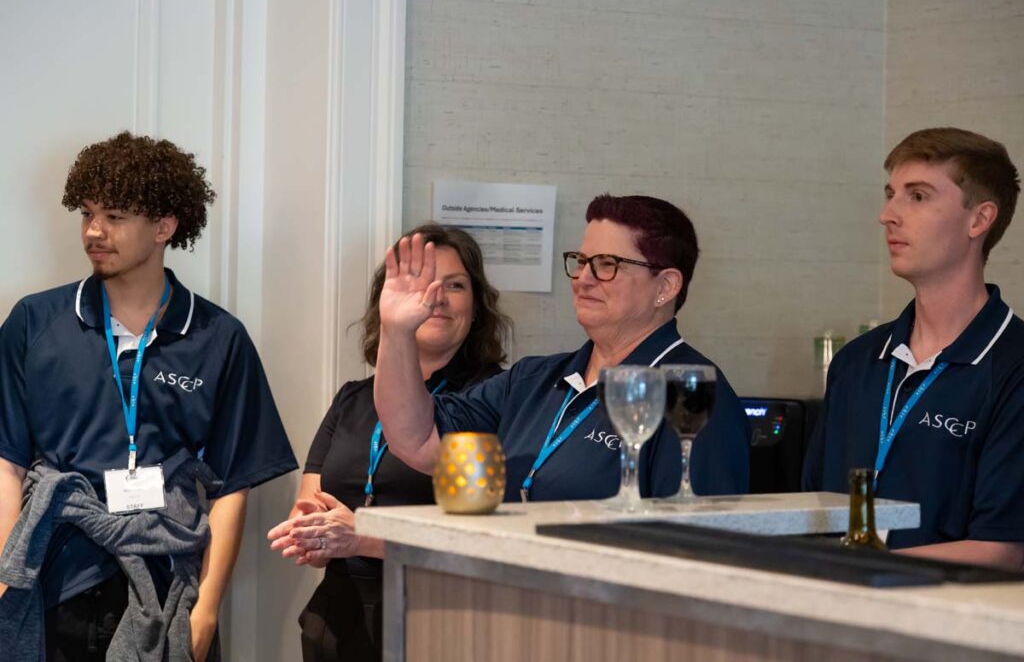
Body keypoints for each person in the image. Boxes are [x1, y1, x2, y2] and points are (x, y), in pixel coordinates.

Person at [0, 132, 298, 660]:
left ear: (164, 227)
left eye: (114, 216)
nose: (94, 231)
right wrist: (7, 579)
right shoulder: (34, 322)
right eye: (87, 213)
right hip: (53, 581)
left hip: (168, 587)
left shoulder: (219, 338)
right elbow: (7, 462)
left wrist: (206, 609)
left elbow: (231, 486)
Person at [373, 194, 750, 502]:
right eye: (582, 261)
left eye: (607, 264)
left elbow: (699, 542)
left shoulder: (692, 396)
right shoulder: (532, 379)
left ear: (665, 286)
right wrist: (397, 331)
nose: (583, 278)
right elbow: (418, 440)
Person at [267, 224, 510, 661]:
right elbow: (311, 506)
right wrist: (311, 534)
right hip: (336, 622)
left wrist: (362, 538)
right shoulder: (352, 399)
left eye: (455, 285)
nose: (436, 296)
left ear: (477, 308)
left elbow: (481, 542)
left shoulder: (491, 401)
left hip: (440, 619)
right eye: (423, 281)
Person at [803, 127, 1024, 571]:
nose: (888, 215)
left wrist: (856, 571)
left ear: (979, 220)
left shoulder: (1013, 366)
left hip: (947, 612)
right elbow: (810, 512)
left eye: (918, 196)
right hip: (838, 603)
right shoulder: (856, 360)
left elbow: (1001, 551)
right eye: (891, 195)